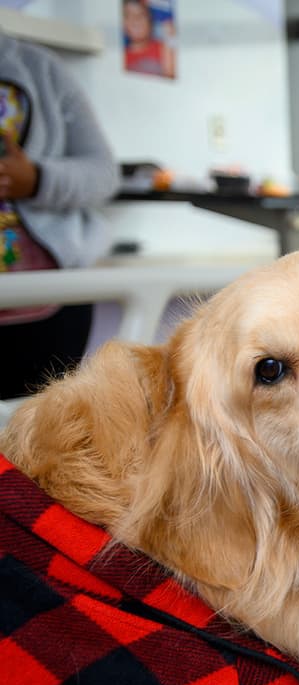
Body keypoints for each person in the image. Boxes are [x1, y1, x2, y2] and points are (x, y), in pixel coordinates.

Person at [0, 32, 120, 399]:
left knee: (40, 435)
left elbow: (103, 174)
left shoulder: (41, 68)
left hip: (52, 300)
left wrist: (36, 180)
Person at [123, 0, 176, 79]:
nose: (135, 20)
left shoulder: (164, 48)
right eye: (128, 16)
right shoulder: (120, 56)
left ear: (150, 20)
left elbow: (171, 74)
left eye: (141, 15)